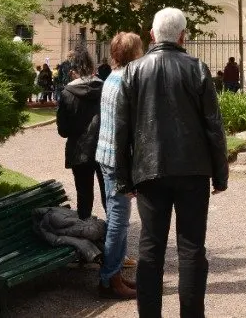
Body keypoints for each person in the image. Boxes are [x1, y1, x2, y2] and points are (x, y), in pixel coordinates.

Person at [115, 7, 228, 318]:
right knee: (192, 248)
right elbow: (213, 126)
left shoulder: (133, 71)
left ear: (152, 35)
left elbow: (121, 130)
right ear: (183, 36)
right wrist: (220, 175)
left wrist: (124, 178)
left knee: (151, 249)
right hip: (193, 170)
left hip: (149, 170)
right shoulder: (197, 68)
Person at [95, 31, 144, 300]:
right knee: (118, 221)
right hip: (117, 159)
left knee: (119, 218)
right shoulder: (127, 81)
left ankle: (114, 273)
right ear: (133, 53)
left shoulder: (112, 77)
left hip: (107, 155)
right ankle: (109, 279)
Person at [56, 47, 105, 220]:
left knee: (84, 196)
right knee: (108, 196)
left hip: (79, 150)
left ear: (72, 71)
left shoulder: (67, 94)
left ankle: (85, 227)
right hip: (103, 147)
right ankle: (113, 234)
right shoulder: (104, 88)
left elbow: (63, 130)